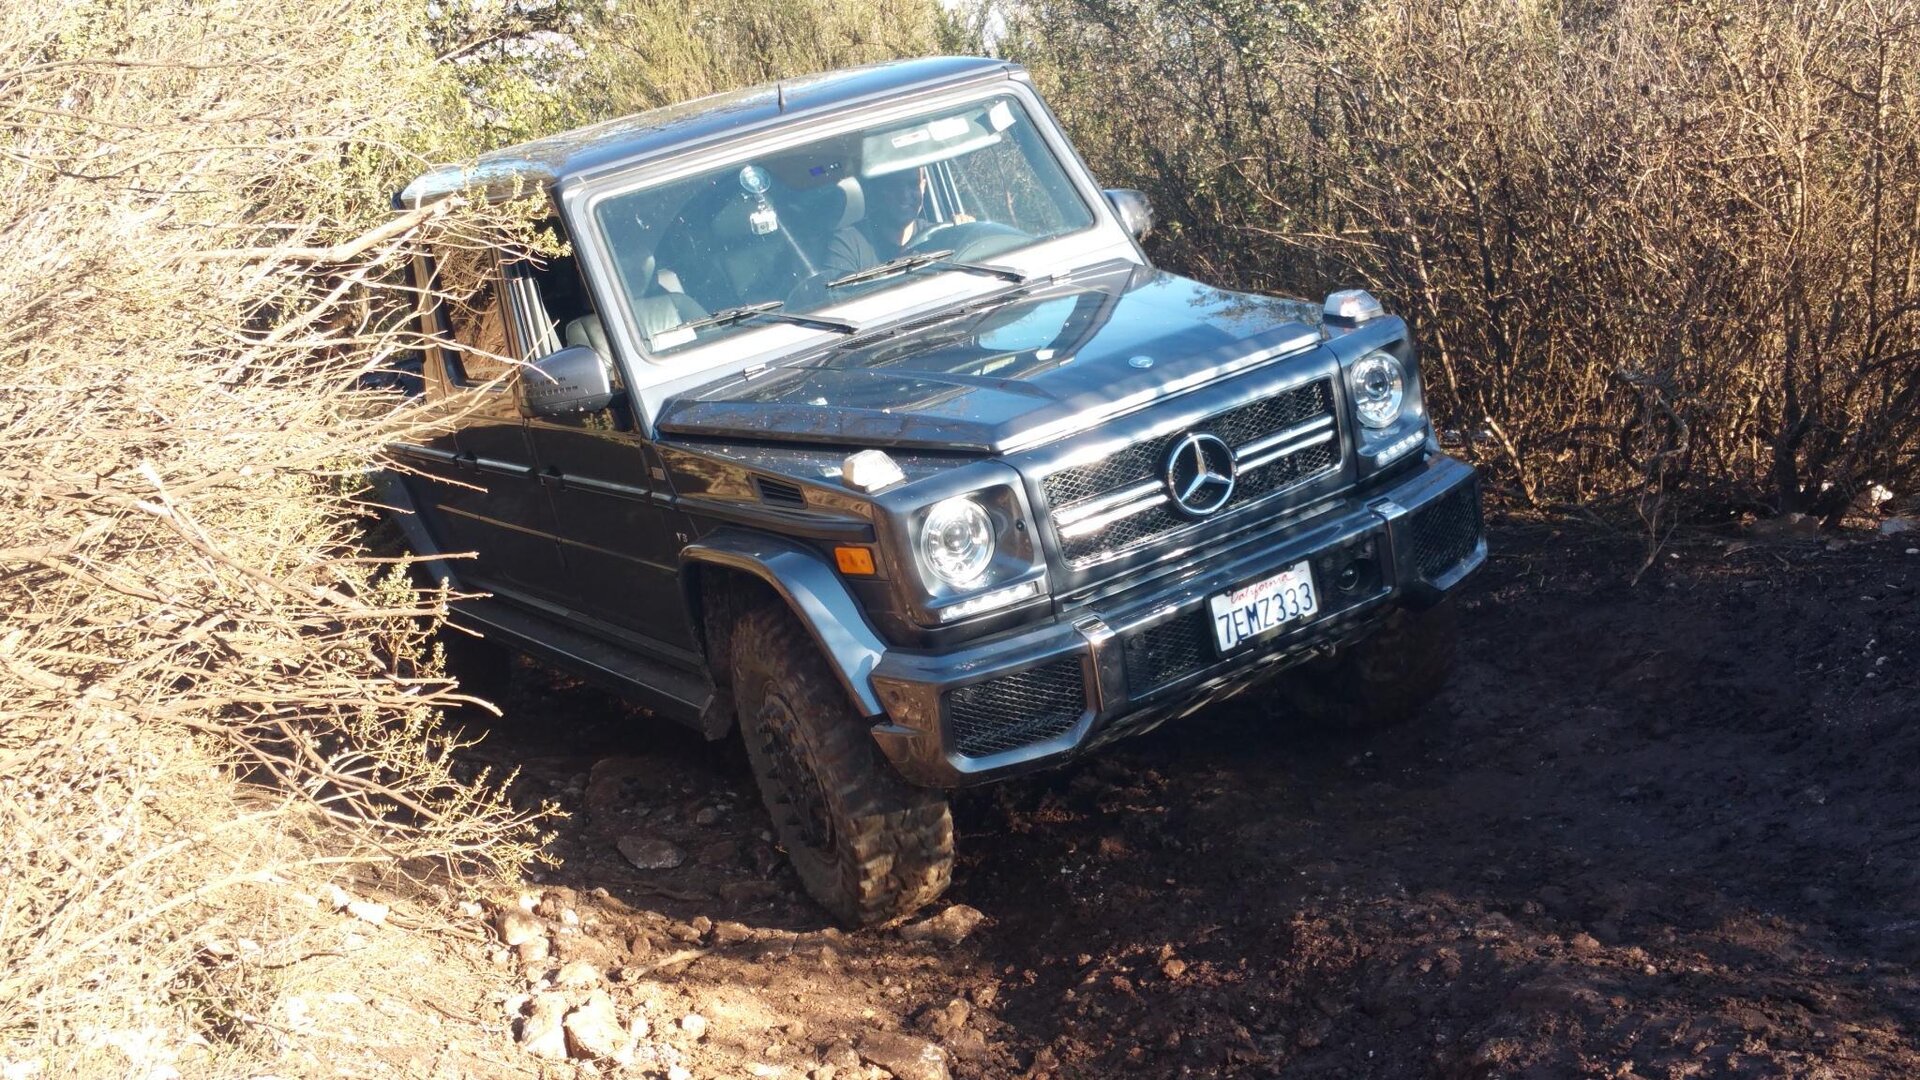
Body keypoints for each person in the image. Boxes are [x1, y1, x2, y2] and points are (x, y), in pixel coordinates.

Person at [823, 167, 936, 275]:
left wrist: (954, 233)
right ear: (878, 190)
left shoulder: (938, 236)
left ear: (923, 187)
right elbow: (840, 294)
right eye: (894, 186)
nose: (905, 195)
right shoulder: (848, 244)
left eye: (913, 185)